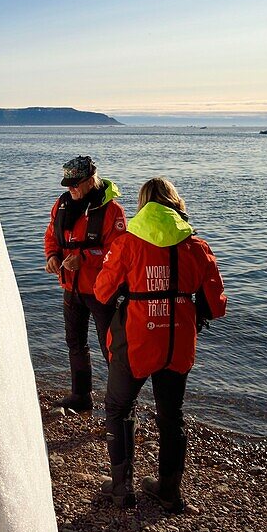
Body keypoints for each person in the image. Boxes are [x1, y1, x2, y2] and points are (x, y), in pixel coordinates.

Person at [93, 177, 227, 511]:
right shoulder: (196, 246)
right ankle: (169, 491)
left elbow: (101, 292)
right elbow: (217, 305)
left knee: (119, 408)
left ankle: (122, 489)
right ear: (175, 203)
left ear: (143, 206)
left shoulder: (127, 243)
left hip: (138, 340)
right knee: (171, 415)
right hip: (178, 341)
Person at [43, 155, 127, 412]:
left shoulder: (112, 211)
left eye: (76, 184)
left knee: (111, 348)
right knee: (75, 343)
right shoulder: (62, 205)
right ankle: (81, 396)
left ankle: (120, 404)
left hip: (102, 291)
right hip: (71, 289)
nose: (71, 188)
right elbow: (51, 236)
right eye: (68, 184)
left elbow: (120, 253)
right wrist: (52, 257)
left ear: (91, 181)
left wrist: (85, 259)